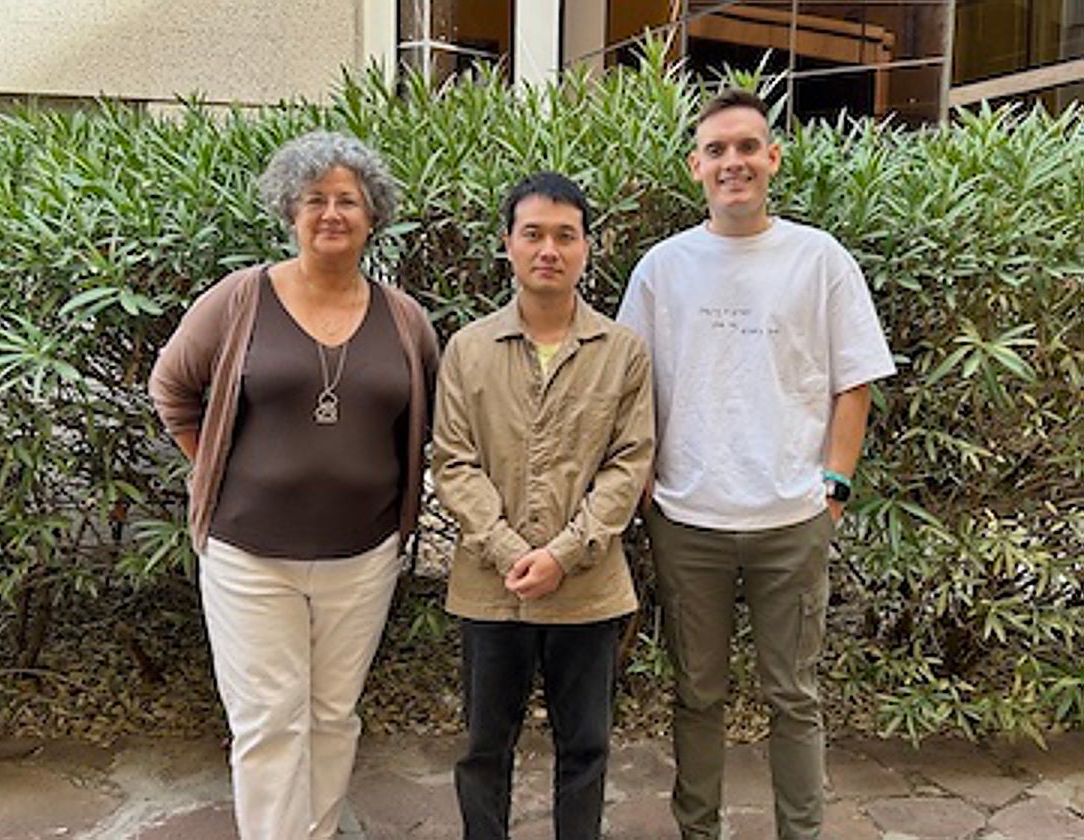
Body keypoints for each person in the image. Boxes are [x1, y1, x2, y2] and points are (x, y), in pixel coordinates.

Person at [617, 88, 896, 840]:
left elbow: (855, 381)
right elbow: (628, 384)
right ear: (695, 168)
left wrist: (833, 487)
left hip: (790, 520)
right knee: (697, 695)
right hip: (689, 520)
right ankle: (697, 831)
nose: (732, 162)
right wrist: (648, 491)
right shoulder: (661, 268)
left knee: (794, 697)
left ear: (772, 158)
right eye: (717, 151)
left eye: (747, 147)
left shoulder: (819, 258)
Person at [148, 130, 439, 840]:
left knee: (334, 716)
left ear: (374, 216)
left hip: (363, 556)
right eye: (315, 199)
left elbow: (429, 419)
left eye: (348, 199)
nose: (331, 212)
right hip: (249, 554)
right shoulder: (240, 298)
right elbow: (172, 389)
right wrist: (213, 466)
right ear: (289, 211)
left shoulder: (405, 320)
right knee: (269, 722)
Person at [432, 172, 655, 840]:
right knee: (483, 748)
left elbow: (629, 462)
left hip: (587, 590)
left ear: (588, 247)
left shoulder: (623, 353)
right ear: (507, 244)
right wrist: (508, 549)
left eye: (566, 236)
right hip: (488, 587)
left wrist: (563, 555)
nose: (548, 250)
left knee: (585, 746)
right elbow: (453, 460)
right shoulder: (468, 349)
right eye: (533, 234)